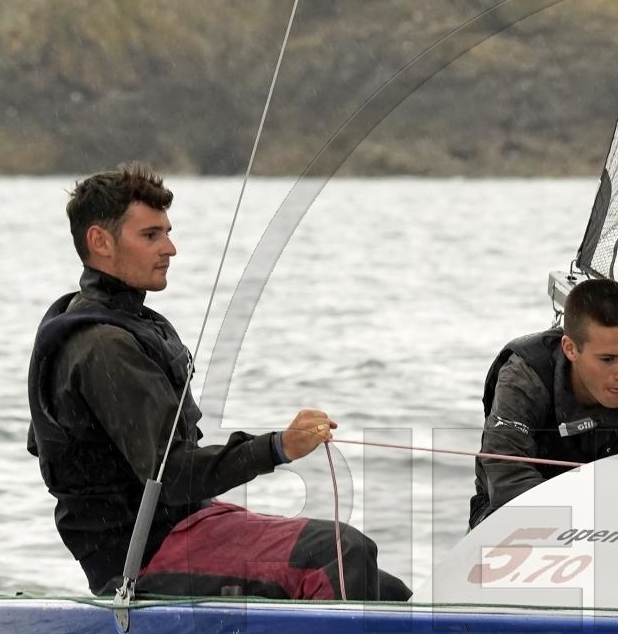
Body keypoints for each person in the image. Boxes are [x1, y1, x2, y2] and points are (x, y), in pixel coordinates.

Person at [27, 162, 409, 601]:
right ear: (100, 241)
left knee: (384, 588)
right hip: (143, 556)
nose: (170, 248)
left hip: (188, 524)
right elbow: (173, 476)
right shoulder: (103, 346)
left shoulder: (119, 323)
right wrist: (278, 447)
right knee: (340, 553)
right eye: (150, 235)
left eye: (167, 233)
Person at [470, 277, 618, 526]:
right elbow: (506, 478)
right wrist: (584, 519)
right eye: (608, 359)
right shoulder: (524, 380)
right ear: (570, 349)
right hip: (512, 513)